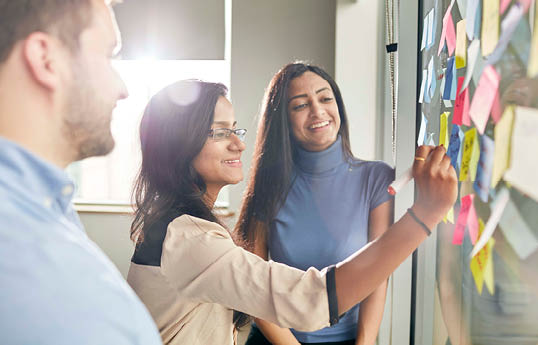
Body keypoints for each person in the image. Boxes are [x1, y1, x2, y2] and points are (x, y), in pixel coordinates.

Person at [127, 79, 458, 345]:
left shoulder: (177, 227)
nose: (238, 144)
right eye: (220, 132)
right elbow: (309, 298)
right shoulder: (189, 238)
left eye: (235, 129)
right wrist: (425, 214)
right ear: (179, 144)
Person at [0, 1, 161, 344]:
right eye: (107, 55)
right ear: (47, 59)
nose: (123, 88)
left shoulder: (47, 207)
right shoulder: (17, 250)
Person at [236, 62, 393, 345]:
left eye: (325, 98)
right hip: (277, 340)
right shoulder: (268, 186)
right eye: (300, 105)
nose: (318, 111)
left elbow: (377, 276)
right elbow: (253, 288)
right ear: (283, 119)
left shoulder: (377, 179)